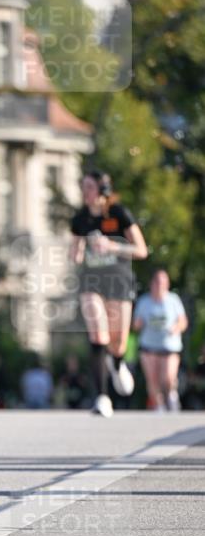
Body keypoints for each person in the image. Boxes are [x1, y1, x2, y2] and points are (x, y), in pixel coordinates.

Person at [70, 169, 148, 417]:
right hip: (92, 282)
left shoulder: (119, 214)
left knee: (118, 343)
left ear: (103, 189)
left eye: (89, 187)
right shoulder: (80, 219)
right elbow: (75, 253)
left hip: (119, 282)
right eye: (83, 187)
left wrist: (113, 246)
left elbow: (141, 250)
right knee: (97, 334)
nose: (85, 192)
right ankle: (102, 397)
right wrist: (78, 252)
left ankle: (117, 363)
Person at [133, 269, 188, 411]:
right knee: (152, 378)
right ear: (152, 284)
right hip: (148, 346)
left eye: (163, 282)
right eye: (157, 282)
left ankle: (171, 395)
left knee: (168, 378)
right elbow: (136, 324)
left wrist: (175, 328)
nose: (160, 286)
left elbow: (183, 321)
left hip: (169, 345)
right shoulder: (144, 301)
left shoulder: (173, 300)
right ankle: (159, 406)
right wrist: (138, 324)